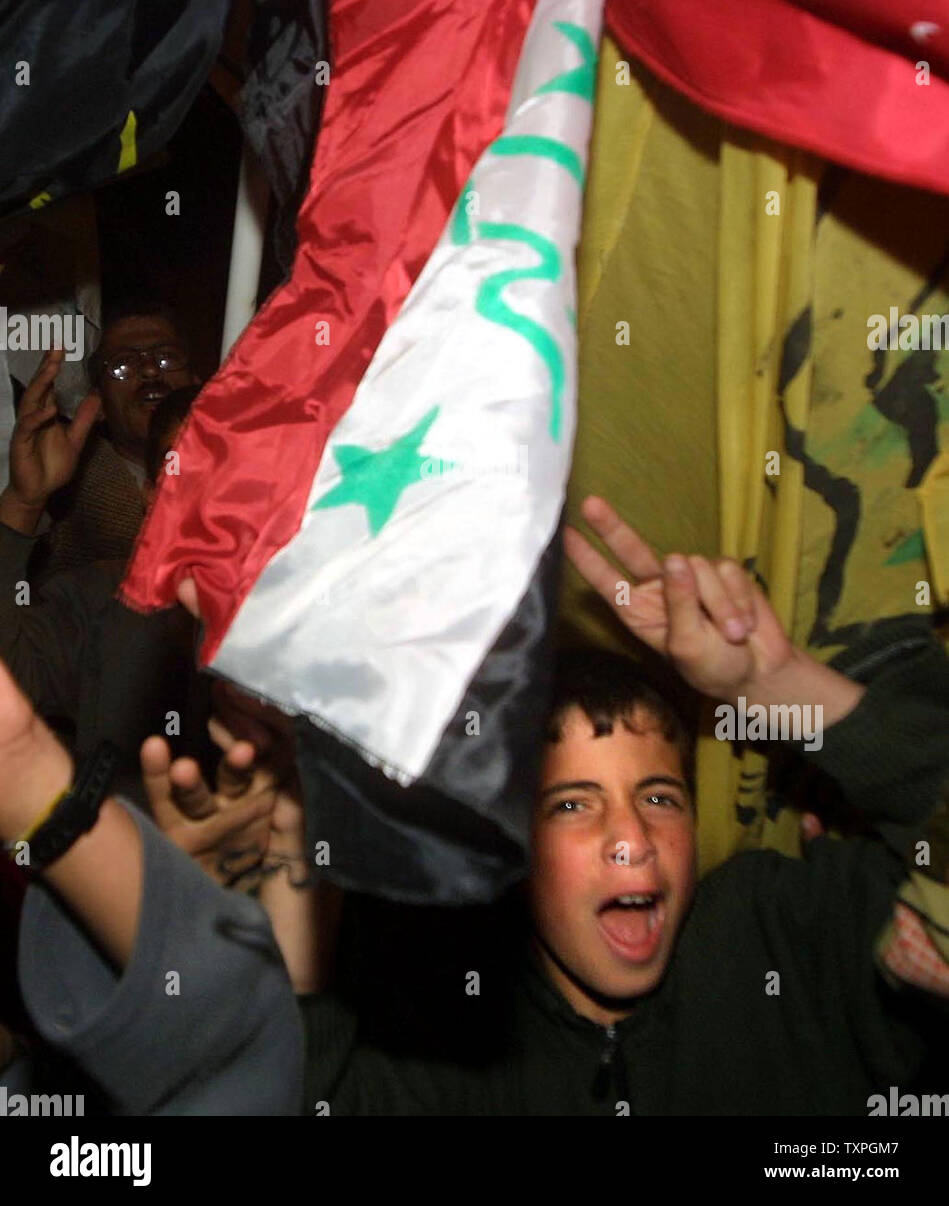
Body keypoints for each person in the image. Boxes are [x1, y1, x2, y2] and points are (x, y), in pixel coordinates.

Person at [3, 499, 948, 1115]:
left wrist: (780, 684)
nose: (630, 842)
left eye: (656, 796)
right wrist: (267, 901)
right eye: (573, 805)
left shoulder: (787, 942)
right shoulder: (432, 1046)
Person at [0, 384, 202, 797]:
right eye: (182, 471)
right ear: (150, 496)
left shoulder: (308, 609)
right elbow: (13, 676)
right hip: (119, 855)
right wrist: (22, 505)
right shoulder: (98, 598)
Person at [0, 301, 196, 577]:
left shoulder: (252, 475)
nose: (151, 371)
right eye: (123, 364)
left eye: (167, 357)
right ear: (98, 403)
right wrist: (24, 503)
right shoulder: (70, 514)